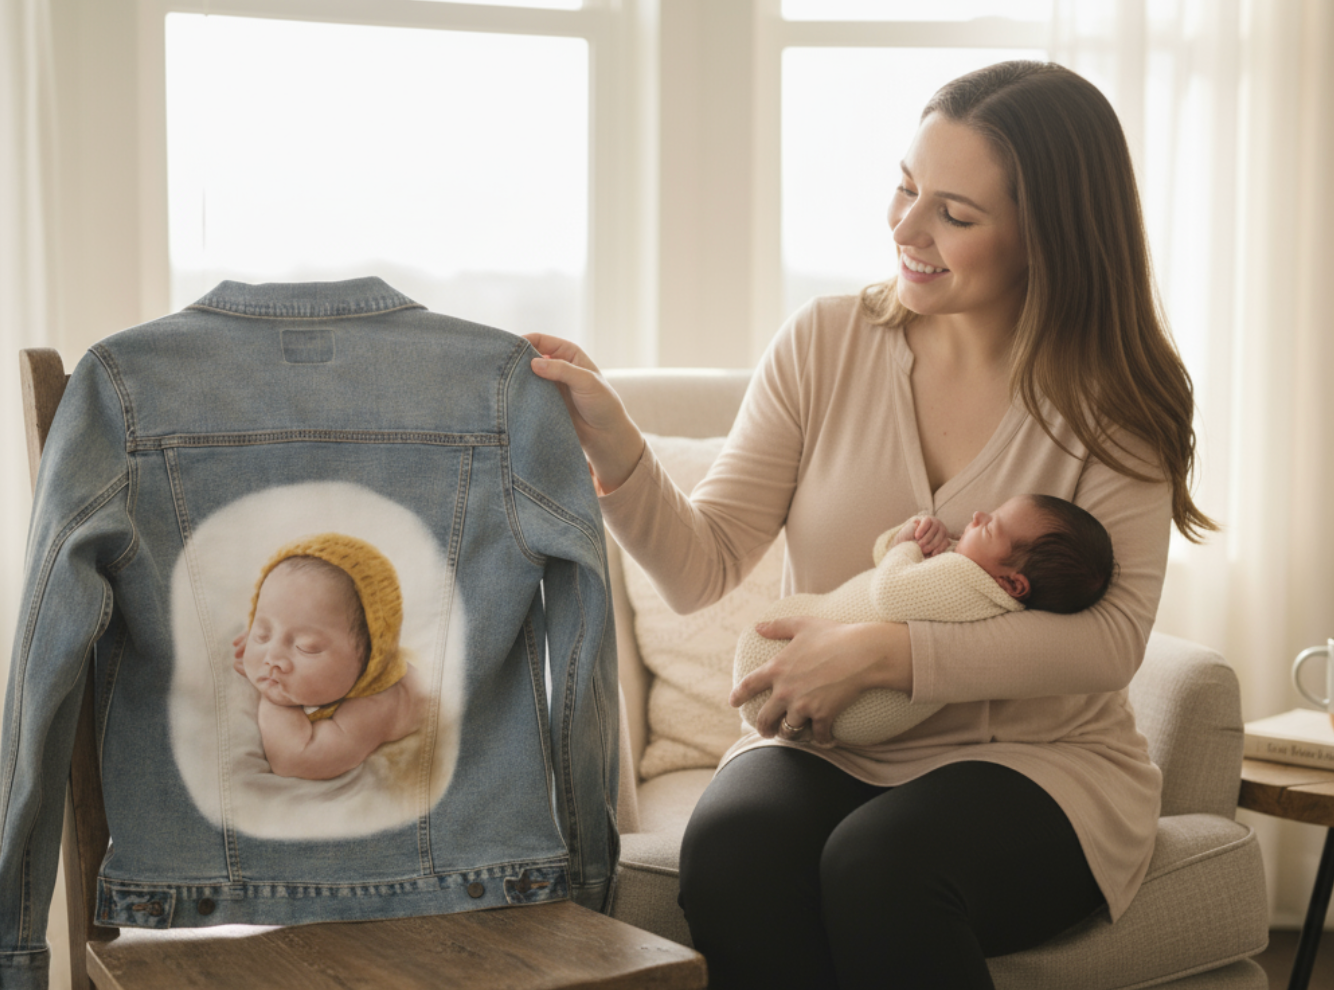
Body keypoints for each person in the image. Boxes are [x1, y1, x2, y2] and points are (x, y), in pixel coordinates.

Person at [527, 59, 1213, 989]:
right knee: (734, 851)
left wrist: (887, 653)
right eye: (905, 187)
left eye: (954, 215)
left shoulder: (1118, 398)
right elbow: (703, 567)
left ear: (1044, 237)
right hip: (827, 736)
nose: (906, 229)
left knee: (883, 865)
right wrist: (614, 445)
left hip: (1039, 763)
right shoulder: (825, 342)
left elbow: (1110, 641)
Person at [735, 494, 1116, 746]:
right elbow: (888, 563)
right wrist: (904, 542)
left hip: (818, 678)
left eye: (991, 526)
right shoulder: (984, 585)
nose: (978, 515)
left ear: (1014, 583)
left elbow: (890, 592)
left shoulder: (966, 581)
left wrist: (908, 546)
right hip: (855, 721)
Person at [233, 532, 424, 780]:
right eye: (262, 634)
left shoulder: (377, 705)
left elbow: (297, 760)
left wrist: (275, 699)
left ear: (370, 657)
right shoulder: (279, 652)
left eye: (306, 647)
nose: (272, 657)